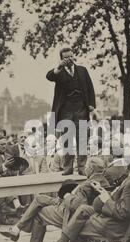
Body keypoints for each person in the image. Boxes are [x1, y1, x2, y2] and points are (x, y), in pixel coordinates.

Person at [44, 148, 130, 242]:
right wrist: (102, 191)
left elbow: (124, 212)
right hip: (126, 223)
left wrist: (107, 200)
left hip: (117, 227)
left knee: (79, 226)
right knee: (83, 210)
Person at [0, 157, 110, 242]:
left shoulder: (88, 184)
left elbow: (76, 206)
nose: (85, 169)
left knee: (39, 214)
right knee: (39, 199)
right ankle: (18, 230)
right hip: (90, 216)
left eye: (86, 167)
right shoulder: (105, 182)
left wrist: (67, 196)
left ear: (90, 169)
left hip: (72, 217)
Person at [47, 47, 96, 175]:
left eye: (70, 56)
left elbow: (90, 87)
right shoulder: (59, 72)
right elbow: (49, 76)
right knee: (67, 139)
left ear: (74, 56)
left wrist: (91, 104)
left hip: (81, 107)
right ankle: (68, 167)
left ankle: (81, 167)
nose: (69, 59)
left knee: (83, 139)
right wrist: (58, 67)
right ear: (61, 59)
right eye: (65, 57)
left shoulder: (82, 70)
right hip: (66, 109)